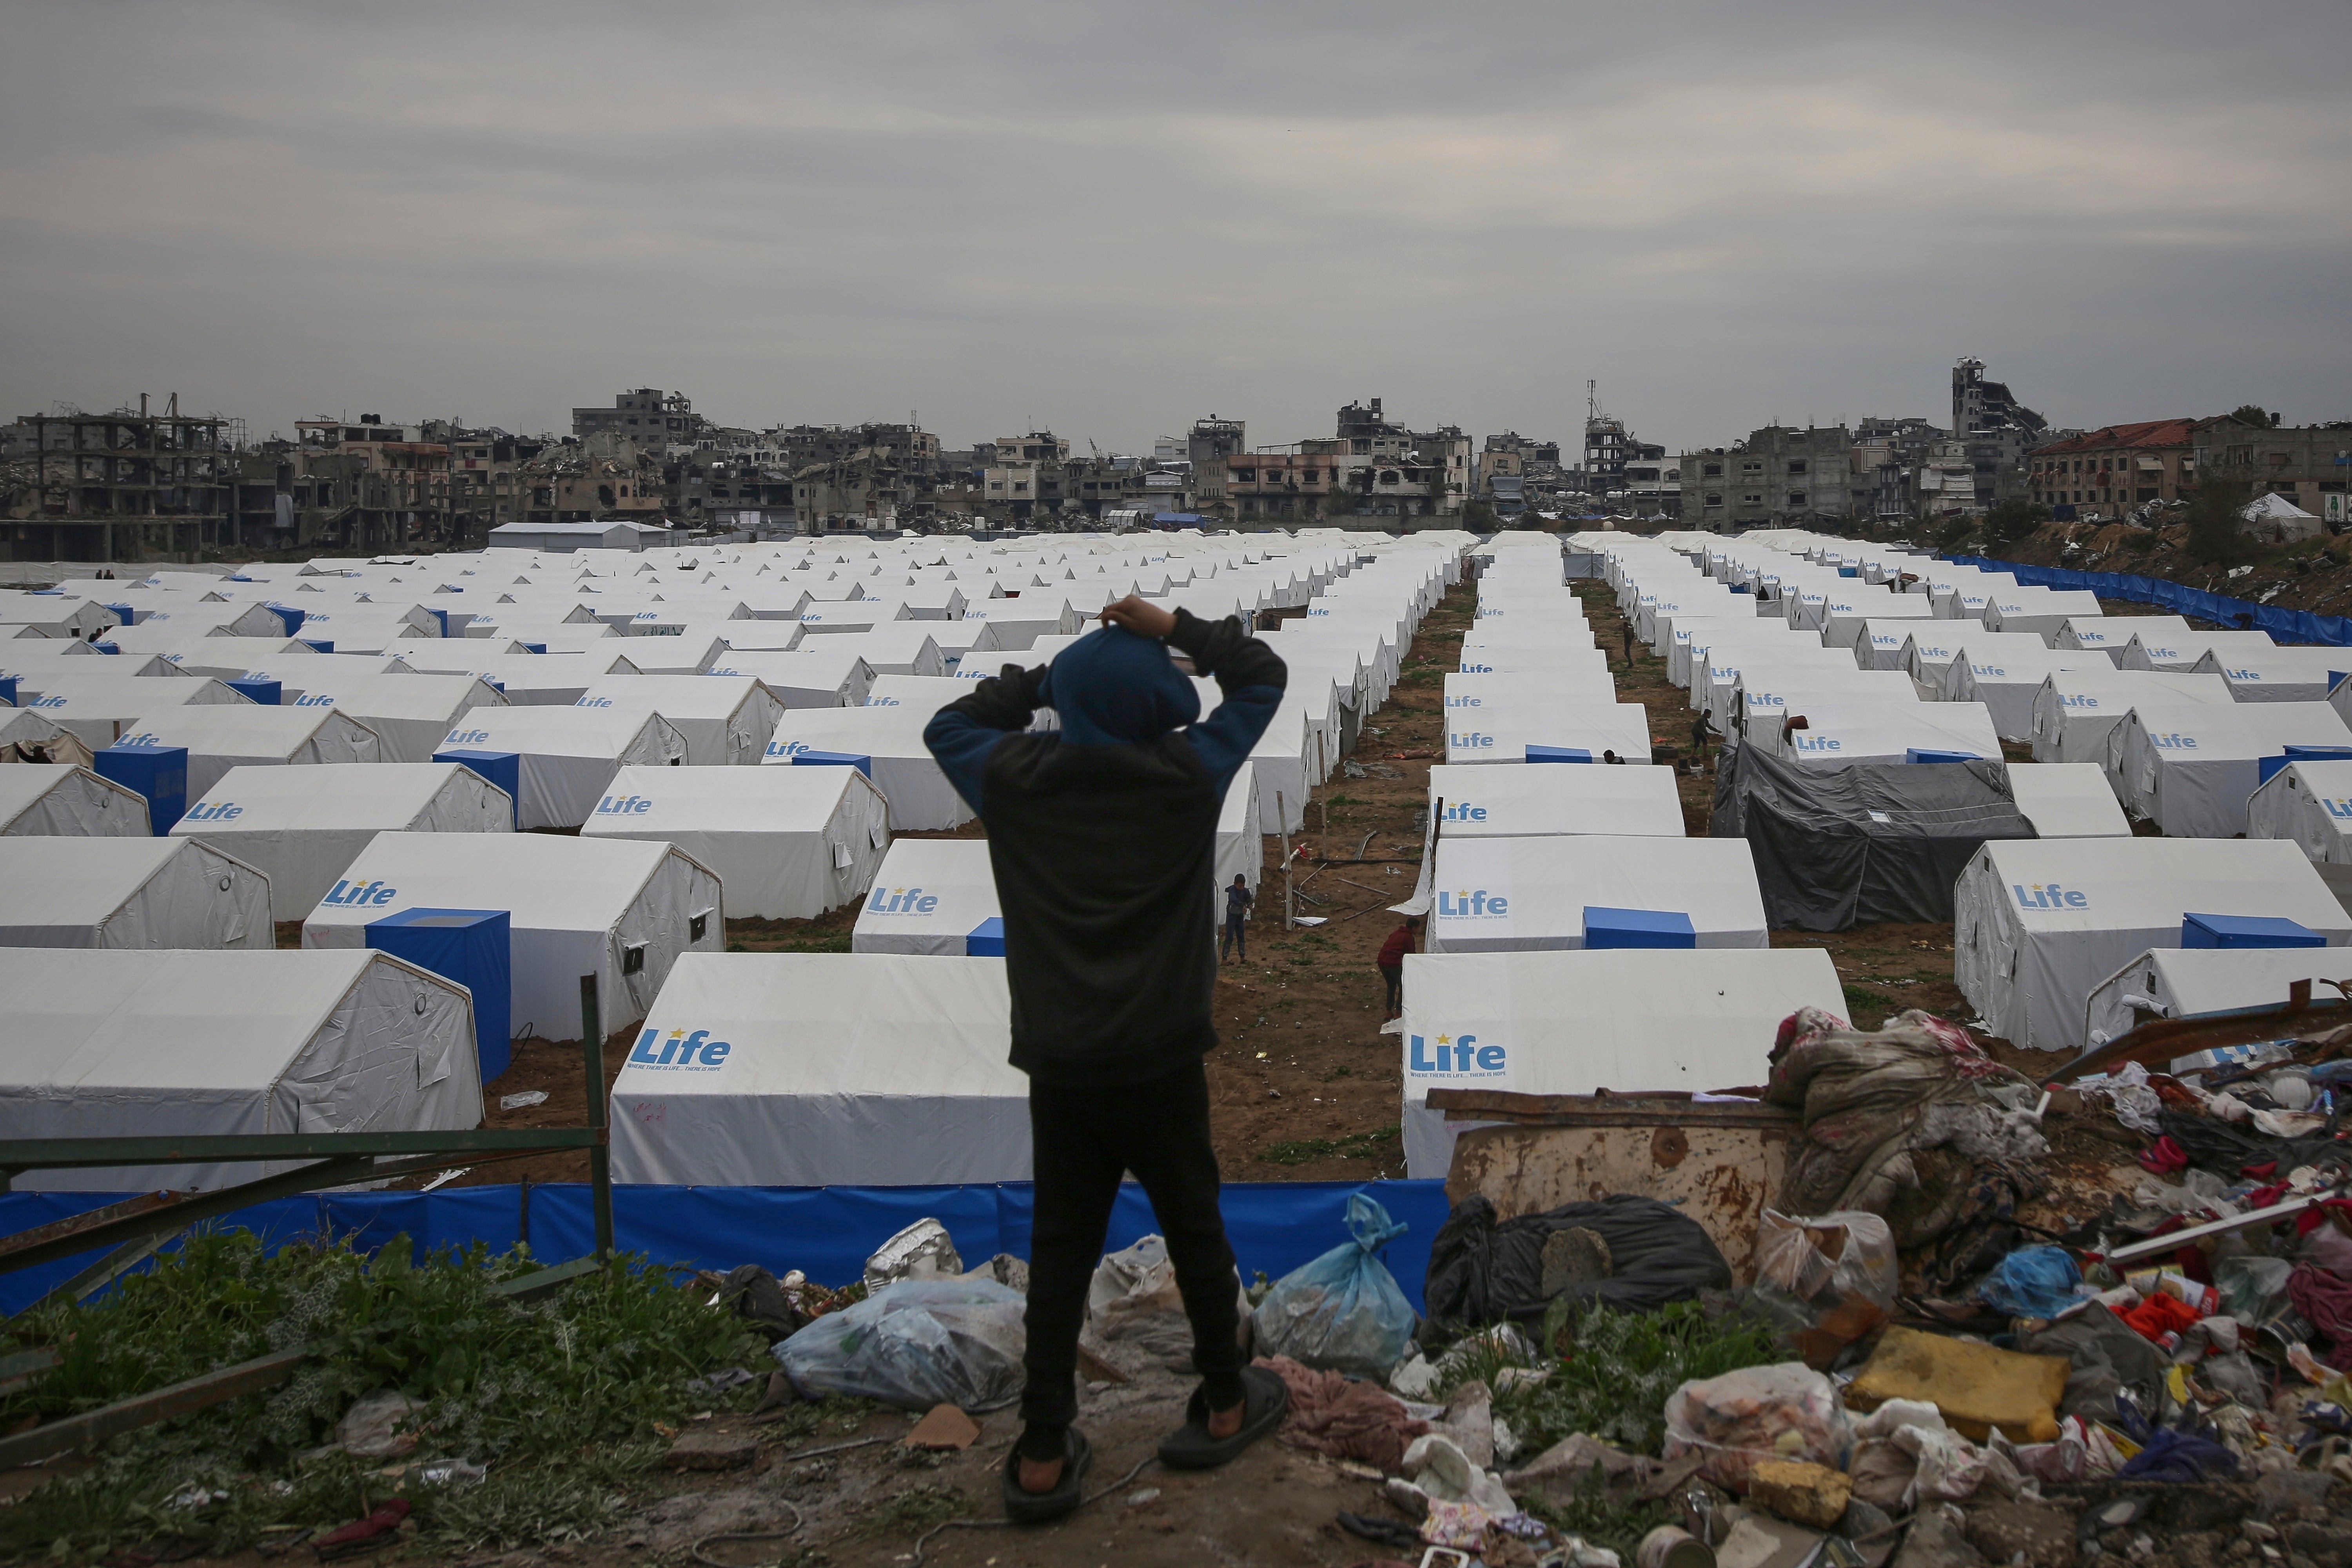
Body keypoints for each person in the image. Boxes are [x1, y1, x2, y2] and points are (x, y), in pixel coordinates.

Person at [924, 594, 1293, 1524]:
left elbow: (948, 722)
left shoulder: (1016, 774)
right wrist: (1173, 626)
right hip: (1163, 1057)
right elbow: (1263, 675)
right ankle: (1221, 1397)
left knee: (1060, 1252)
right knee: (1195, 1228)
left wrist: (1048, 680)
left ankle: (1044, 1450)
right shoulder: (1185, 769)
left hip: (1063, 1061)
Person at [1376, 916, 1418, 1018]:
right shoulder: (1409, 938)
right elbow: (1411, 954)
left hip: (1382, 961)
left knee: (1391, 985)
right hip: (1393, 963)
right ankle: (1398, 1012)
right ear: (1414, 928)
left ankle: (1389, 1011)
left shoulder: (1396, 933)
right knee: (1404, 986)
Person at [1220, 874, 1253, 961]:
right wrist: (1243, 905)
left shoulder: (1245, 891)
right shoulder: (1232, 890)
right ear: (1235, 884)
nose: (1242, 888)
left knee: (1241, 935)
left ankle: (1242, 957)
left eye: (1243, 886)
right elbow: (1233, 899)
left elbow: (1249, 899)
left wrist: (1250, 905)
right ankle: (1225, 958)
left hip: (1240, 916)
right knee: (1230, 936)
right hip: (1232, 915)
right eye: (1240, 886)